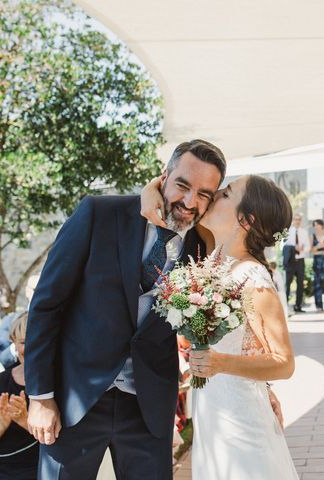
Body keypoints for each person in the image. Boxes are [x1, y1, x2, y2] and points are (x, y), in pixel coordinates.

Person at [25, 140, 281, 479]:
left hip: (148, 409)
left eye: (204, 193)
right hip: (76, 400)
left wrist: (263, 389)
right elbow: (46, 305)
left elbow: (230, 324)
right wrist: (40, 397)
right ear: (163, 178)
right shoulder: (98, 214)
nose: (190, 202)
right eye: (183, 185)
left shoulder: (203, 245)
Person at [179, 175, 298, 479]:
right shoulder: (215, 259)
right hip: (212, 413)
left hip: (239, 422)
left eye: (226, 193)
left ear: (245, 219)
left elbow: (283, 363)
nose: (215, 194)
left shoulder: (253, 279)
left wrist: (220, 362)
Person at [0, 313, 38, 479]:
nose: (31, 349)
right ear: (14, 342)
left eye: (37, 342)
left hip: (35, 469)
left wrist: (25, 421)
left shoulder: (56, 382)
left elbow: (66, 445)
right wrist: (2, 425)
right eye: (24, 342)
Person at [0, 275, 40, 369]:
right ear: (27, 291)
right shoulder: (10, 320)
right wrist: (18, 344)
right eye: (36, 290)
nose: (40, 295)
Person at [282, 213, 309, 313]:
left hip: (300, 260)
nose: (297, 221)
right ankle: (285, 306)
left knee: (300, 284)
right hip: (290, 262)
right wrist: (294, 247)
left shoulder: (304, 232)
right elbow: (283, 246)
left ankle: (298, 306)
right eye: (295, 219)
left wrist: (303, 249)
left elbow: (308, 246)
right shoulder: (287, 232)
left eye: (299, 219)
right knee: (287, 284)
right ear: (292, 220)